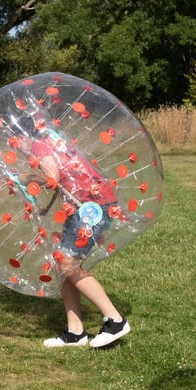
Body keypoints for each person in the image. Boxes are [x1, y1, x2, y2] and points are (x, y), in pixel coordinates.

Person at [26, 130, 130, 349]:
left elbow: (53, 177)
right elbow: (64, 179)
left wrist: (27, 179)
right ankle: (75, 332)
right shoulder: (51, 141)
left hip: (90, 207)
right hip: (87, 205)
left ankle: (115, 321)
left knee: (68, 264)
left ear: (23, 136)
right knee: (61, 263)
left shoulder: (39, 145)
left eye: (15, 142)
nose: (16, 147)